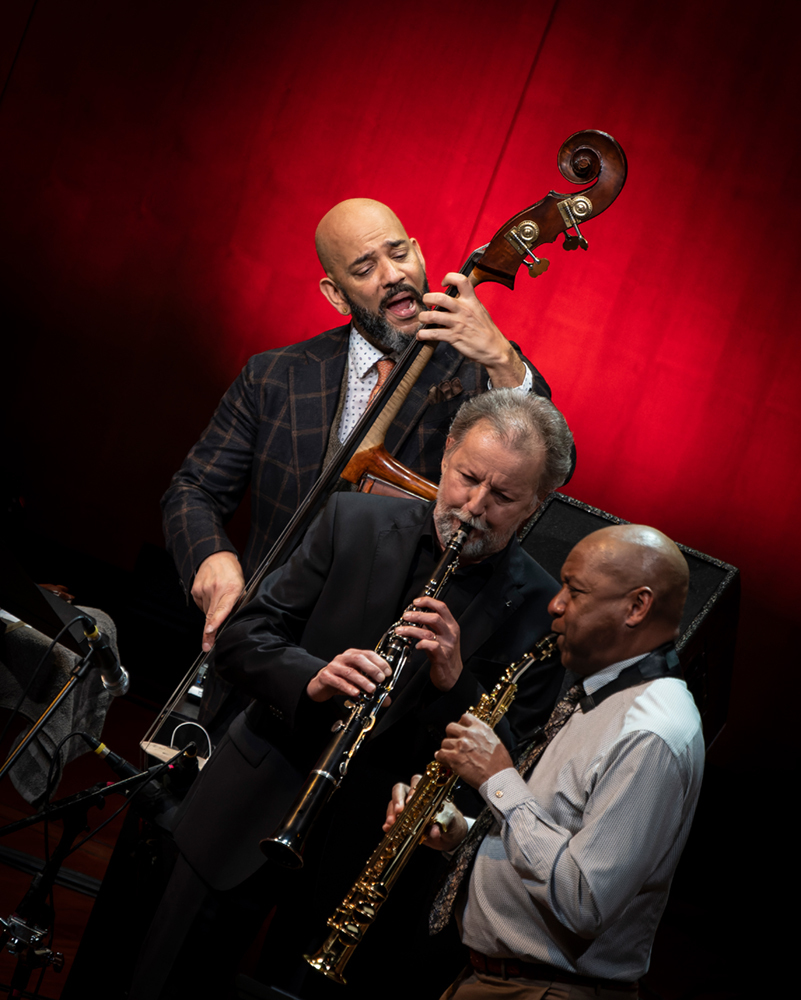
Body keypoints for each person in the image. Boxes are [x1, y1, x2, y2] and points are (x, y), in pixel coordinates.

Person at [129, 390, 574, 1000]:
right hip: (252, 801)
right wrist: (308, 677)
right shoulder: (351, 520)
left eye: (502, 498)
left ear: (536, 506)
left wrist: (454, 684)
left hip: (365, 856)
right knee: (167, 983)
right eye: (468, 479)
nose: (474, 507)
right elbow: (242, 637)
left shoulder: (539, 611)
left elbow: (513, 759)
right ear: (446, 455)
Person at [161, 198, 557, 666]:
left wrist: (500, 357)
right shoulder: (274, 376)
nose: (392, 275)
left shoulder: (480, 376)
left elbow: (545, 463)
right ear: (335, 293)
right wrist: (211, 558)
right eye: (365, 267)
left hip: (380, 662)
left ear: (419, 254)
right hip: (257, 640)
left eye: (398, 254)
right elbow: (194, 490)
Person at [385, 523, 705, 1000]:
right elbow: (556, 842)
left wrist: (499, 780)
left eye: (574, 592)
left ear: (637, 606)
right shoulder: (599, 694)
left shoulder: (651, 733)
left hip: (548, 990)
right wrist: (464, 833)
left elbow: (584, 901)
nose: (555, 605)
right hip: (497, 980)